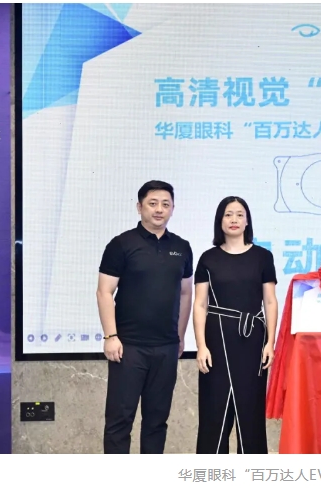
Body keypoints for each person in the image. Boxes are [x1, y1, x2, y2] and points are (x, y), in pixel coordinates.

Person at [97, 180, 193, 454]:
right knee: (119, 420)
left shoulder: (182, 247)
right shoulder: (121, 244)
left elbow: (186, 293)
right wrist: (111, 336)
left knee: (156, 421)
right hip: (128, 347)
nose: (159, 209)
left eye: (165, 204)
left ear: (172, 209)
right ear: (139, 207)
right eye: (153, 203)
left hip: (166, 347)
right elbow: (104, 292)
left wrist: (180, 337)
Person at [193, 196, 278, 454]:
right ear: (220, 220)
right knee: (214, 407)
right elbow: (200, 304)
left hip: (253, 339)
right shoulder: (208, 258)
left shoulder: (263, 257)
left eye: (240, 215)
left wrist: (270, 343)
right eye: (228, 214)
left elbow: (270, 301)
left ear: (247, 221)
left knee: (251, 408)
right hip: (217, 338)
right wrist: (201, 346)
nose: (234, 220)